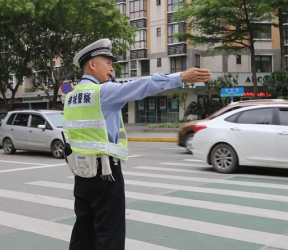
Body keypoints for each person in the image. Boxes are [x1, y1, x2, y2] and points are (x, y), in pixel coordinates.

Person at [62, 38, 211, 250]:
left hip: (81, 175)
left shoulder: (71, 95)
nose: (112, 69)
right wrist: (180, 77)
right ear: (93, 64)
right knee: (109, 233)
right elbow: (141, 86)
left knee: (83, 231)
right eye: (108, 63)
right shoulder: (102, 92)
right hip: (106, 174)